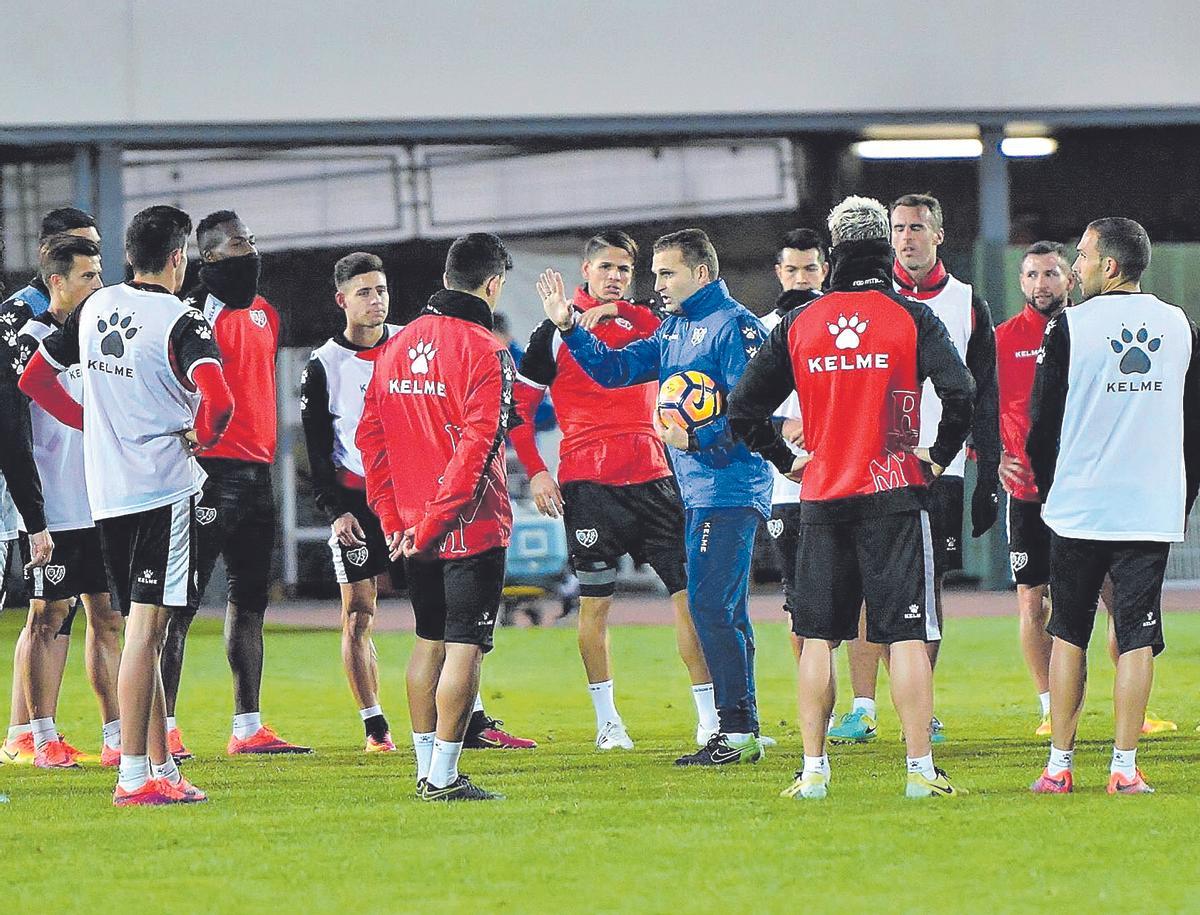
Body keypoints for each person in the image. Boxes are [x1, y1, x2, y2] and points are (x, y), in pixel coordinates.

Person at [729, 195, 974, 799]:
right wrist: (936, 456)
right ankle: (920, 772)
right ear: (886, 250)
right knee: (908, 636)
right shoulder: (912, 317)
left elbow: (742, 408)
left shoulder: (799, 323)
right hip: (894, 495)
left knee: (818, 639)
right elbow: (962, 391)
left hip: (822, 497)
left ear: (833, 251)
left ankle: (813, 772)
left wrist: (788, 459)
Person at [22, 204, 233, 805]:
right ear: (177, 258)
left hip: (106, 495)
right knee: (146, 632)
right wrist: (203, 436)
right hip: (162, 491)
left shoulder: (96, 306)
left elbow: (35, 380)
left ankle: (162, 768)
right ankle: (135, 776)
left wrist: (95, 424)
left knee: (147, 625)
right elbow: (219, 404)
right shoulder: (182, 320)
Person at [541, 228, 773, 766]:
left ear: (702, 274)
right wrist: (569, 327)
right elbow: (613, 369)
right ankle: (743, 728)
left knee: (710, 606)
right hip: (696, 489)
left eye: (667, 273)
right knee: (725, 611)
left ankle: (734, 733)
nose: (656, 284)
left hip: (729, 485)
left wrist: (696, 437)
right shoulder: (675, 330)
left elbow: (749, 408)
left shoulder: (733, 326)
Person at [512, 231, 716, 750]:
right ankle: (608, 722)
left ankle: (710, 719)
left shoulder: (653, 323)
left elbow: (691, 328)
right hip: (589, 485)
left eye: (625, 269)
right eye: (606, 267)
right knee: (596, 605)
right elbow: (519, 411)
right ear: (586, 270)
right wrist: (537, 470)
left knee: (690, 598)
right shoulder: (551, 333)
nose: (616, 277)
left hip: (654, 477)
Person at [1027, 218, 1199, 794]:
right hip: (1149, 507)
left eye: (1082, 255)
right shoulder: (1182, 327)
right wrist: (1181, 498)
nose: (1075, 266)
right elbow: (1194, 429)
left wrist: (1049, 490)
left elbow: (1041, 424)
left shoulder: (1068, 327)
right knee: (1137, 635)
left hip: (1079, 507)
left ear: (1110, 267)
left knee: (1070, 633)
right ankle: (1124, 768)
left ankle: (1059, 765)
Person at [829, 191, 999, 746]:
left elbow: (983, 393)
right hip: (869, 463)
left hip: (935, 468)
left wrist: (985, 471)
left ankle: (922, 705)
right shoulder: (870, 300)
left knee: (925, 591)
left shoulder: (968, 302)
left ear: (939, 235)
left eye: (917, 228)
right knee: (858, 587)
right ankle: (862, 707)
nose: (906, 237)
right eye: (898, 228)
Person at [357, 232, 517, 801]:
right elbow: (477, 453)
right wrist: (430, 526)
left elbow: (369, 439)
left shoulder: (396, 345)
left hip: (409, 528)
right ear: (493, 283)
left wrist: (393, 520)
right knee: (464, 647)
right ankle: (443, 777)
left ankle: (426, 769)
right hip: (468, 528)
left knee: (427, 641)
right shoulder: (488, 350)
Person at [158, 210, 309, 757]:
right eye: (242, 244)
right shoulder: (190, 313)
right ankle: (165, 729)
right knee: (179, 605)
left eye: (253, 241)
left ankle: (248, 727)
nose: (253, 251)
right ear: (212, 256)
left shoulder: (265, 313)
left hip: (258, 471)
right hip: (209, 473)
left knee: (250, 602)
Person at [10, 236, 123, 769]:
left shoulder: (101, 338)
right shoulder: (26, 342)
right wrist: (34, 517)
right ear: (57, 281)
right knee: (46, 618)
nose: (98, 285)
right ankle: (42, 735)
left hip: (101, 500)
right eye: (87, 276)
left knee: (108, 618)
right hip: (55, 506)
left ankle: (116, 734)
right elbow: (16, 435)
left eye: (100, 275)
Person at [0, 208, 100, 763]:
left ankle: (33, 732)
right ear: (50, 258)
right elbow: (16, 417)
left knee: (72, 611)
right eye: (81, 253)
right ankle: (26, 732)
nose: (92, 264)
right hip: (28, 482)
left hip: (76, 486)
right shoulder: (20, 318)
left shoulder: (91, 316)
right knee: (45, 608)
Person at [301, 252, 404, 752]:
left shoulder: (411, 345)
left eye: (381, 290)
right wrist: (335, 510)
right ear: (341, 300)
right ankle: (375, 725)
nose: (376, 300)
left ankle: (465, 718)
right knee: (360, 612)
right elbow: (317, 447)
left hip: (412, 501)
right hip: (358, 503)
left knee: (444, 605)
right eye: (364, 292)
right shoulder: (323, 364)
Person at [760, 229, 833, 719]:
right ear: (778, 273)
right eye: (792, 270)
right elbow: (736, 406)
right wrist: (782, 425)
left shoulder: (843, 320)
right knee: (800, 605)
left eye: (810, 269)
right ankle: (818, 710)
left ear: (825, 269)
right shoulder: (759, 328)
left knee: (867, 601)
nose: (801, 278)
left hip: (846, 480)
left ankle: (867, 705)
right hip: (787, 485)